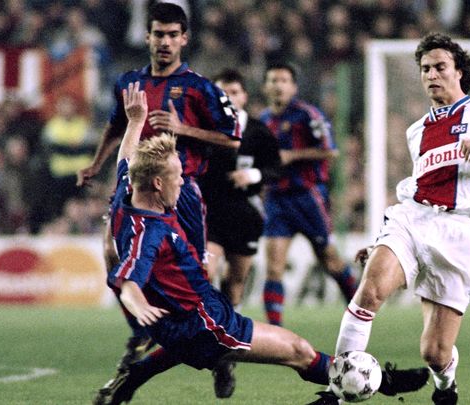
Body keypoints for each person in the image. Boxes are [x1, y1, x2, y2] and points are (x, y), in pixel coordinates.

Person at [94, 82, 429, 405]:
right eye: (176, 176)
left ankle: (136, 374)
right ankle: (382, 383)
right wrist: (136, 304)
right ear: (156, 182)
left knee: (190, 340)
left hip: (185, 321)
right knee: (298, 351)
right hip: (209, 324)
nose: (182, 181)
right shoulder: (149, 232)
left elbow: (126, 157)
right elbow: (129, 278)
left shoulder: (127, 191)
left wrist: (137, 121)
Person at [311, 32, 470, 405]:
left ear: (459, 72)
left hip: (458, 231)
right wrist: (380, 241)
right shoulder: (416, 131)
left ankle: (446, 383)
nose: (431, 75)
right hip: (412, 218)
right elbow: (420, 185)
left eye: (440, 67)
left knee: (435, 353)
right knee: (369, 292)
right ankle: (336, 392)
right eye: (425, 69)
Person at [79, 0, 240, 392]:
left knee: (193, 283)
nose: (164, 42)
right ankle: (141, 330)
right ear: (147, 36)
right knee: (113, 257)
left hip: (179, 194)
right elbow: (115, 126)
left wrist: (185, 130)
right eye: (158, 34)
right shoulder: (129, 83)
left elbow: (232, 139)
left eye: (172, 35)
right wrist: (98, 164)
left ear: (184, 39)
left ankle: (218, 354)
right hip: (131, 190)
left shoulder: (201, 88)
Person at [197, 68, 281, 398]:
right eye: (222, 92)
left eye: (234, 91)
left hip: (245, 216)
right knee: (207, 270)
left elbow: (275, 167)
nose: (228, 98)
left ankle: (225, 358)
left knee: (234, 286)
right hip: (211, 215)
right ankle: (207, 336)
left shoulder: (259, 132)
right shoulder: (205, 130)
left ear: (245, 96)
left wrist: (255, 174)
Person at [259, 62, 357, 326]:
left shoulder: (308, 115)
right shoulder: (264, 121)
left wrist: (293, 155)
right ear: (266, 87)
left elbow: (330, 150)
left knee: (330, 260)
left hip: (307, 197)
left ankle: (359, 307)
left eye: (283, 81)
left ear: (293, 87)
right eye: (273, 80)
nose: (278, 85)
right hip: (277, 199)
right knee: (274, 266)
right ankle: (276, 329)